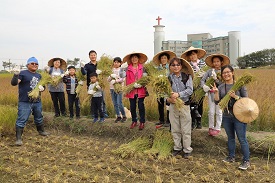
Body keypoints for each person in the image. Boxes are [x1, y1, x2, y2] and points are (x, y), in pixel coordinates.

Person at [212, 65, 250, 170]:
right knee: (231, 138)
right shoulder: (220, 87)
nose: (226, 74)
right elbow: (217, 102)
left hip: (239, 116)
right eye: (224, 73)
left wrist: (235, 97)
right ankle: (231, 157)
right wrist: (215, 93)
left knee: (242, 139)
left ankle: (246, 160)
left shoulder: (240, 85)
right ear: (222, 75)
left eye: (228, 72)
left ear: (232, 72)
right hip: (226, 116)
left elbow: (246, 101)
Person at [11, 57, 49, 146]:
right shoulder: (23, 73)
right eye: (32, 63)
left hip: (37, 101)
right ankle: (18, 139)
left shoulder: (39, 75)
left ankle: (41, 131)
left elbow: (43, 86)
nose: (34, 65)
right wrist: (16, 75)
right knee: (22, 119)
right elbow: (14, 83)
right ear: (28, 65)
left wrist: (42, 88)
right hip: (25, 101)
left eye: (36, 64)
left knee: (39, 116)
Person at [166, 57, 194, 158]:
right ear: (170, 67)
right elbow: (164, 92)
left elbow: (190, 90)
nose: (176, 67)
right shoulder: (168, 78)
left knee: (185, 129)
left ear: (181, 66)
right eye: (173, 65)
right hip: (173, 106)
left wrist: (178, 94)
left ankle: (187, 150)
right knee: (175, 128)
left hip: (184, 105)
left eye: (178, 65)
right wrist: (168, 99)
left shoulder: (187, 76)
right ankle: (177, 148)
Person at [201, 54, 230, 136]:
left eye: (218, 61)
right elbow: (202, 80)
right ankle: (211, 127)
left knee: (219, 111)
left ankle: (217, 128)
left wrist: (216, 80)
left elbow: (225, 84)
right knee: (211, 111)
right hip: (211, 93)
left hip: (221, 94)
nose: (216, 63)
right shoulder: (209, 71)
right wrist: (204, 86)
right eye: (214, 62)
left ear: (221, 62)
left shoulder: (224, 72)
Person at [120, 52, 148, 130]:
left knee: (141, 106)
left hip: (140, 90)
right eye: (133, 58)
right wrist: (121, 69)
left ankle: (142, 122)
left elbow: (146, 79)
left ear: (138, 59)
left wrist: (141, 84)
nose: (134, 59)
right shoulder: (127, 68)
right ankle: (134, 121)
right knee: (132, 106)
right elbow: (122, 76)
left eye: (136, 57)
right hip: (131, 90)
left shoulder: (143, 68)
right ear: (131, 59)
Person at [181, 46, 206, 129]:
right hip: (191, 87)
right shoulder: (188, 65)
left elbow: (207, 74)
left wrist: (203, 75)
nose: (192, 56)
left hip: (200, 87)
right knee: (191, 105)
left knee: (199, 104)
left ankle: (199, 121)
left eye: (194, 54)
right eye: (190, 55)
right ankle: (193, 121)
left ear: (197, 55)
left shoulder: (203, 64)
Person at [80, 50, 108, 118]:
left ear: (96, 56)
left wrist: (101, 71)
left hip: (100, 85)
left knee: (102, 99)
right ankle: (93, 113)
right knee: (92, 100)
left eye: (94, 55)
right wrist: (82, 67)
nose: (93, 56)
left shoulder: (100, 64)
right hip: (91, 85)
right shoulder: (87, 65)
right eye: (91, 55)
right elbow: (84, 73)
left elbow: (105, 72)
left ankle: (103, 113)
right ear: (89, 57)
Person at [152, 50, 176, 128]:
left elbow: (173, 77)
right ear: (160, 60)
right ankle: (161, 120)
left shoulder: (170, 67)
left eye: (165, 58)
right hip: (160, 89)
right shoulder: (157, 68)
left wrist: (166, 80)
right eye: (162, 58)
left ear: (167, 59)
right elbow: (154, 78)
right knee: (160, 104)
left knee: (168, 104)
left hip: (168, 88)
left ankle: (169, 121)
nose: (163, 59)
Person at [107, 57, 127, 123]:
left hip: (119, 89)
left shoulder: (122, 69)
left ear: (120, 63)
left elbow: (123, 79)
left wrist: (116, 81)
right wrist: (111, 76)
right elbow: (108, 80)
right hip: (112, 88)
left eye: (118, 62)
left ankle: (124, 116)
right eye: (115, 62)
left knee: (119, 103)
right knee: (115, 103)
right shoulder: (111, 70)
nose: (116, 63)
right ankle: (118, 116)